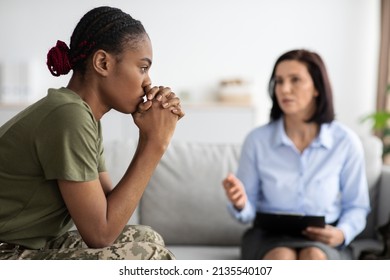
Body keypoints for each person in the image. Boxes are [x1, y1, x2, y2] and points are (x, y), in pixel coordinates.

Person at [0, 6, 184, 260]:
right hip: (7, 251)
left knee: (148, 238)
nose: (148, 82)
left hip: (27, 245)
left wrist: (148, 137)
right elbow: (100, 233)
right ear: (102, 63)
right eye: (142, 67)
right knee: (149, 254)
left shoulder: (83, 116)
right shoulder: (68, 116)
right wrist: (154, 144)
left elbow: (109, 211)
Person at [222, 49, 370, 260]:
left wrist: (342, 233)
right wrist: (241, 202)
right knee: (282, 257)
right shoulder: (257, 140)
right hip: (269, 237)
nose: (284, 89)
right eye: (279, 81)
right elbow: (248, 212)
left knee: (314, 257)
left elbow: (357, 205)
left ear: (317, 88)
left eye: (295, 80)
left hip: (324, 238)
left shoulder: (345, 142)